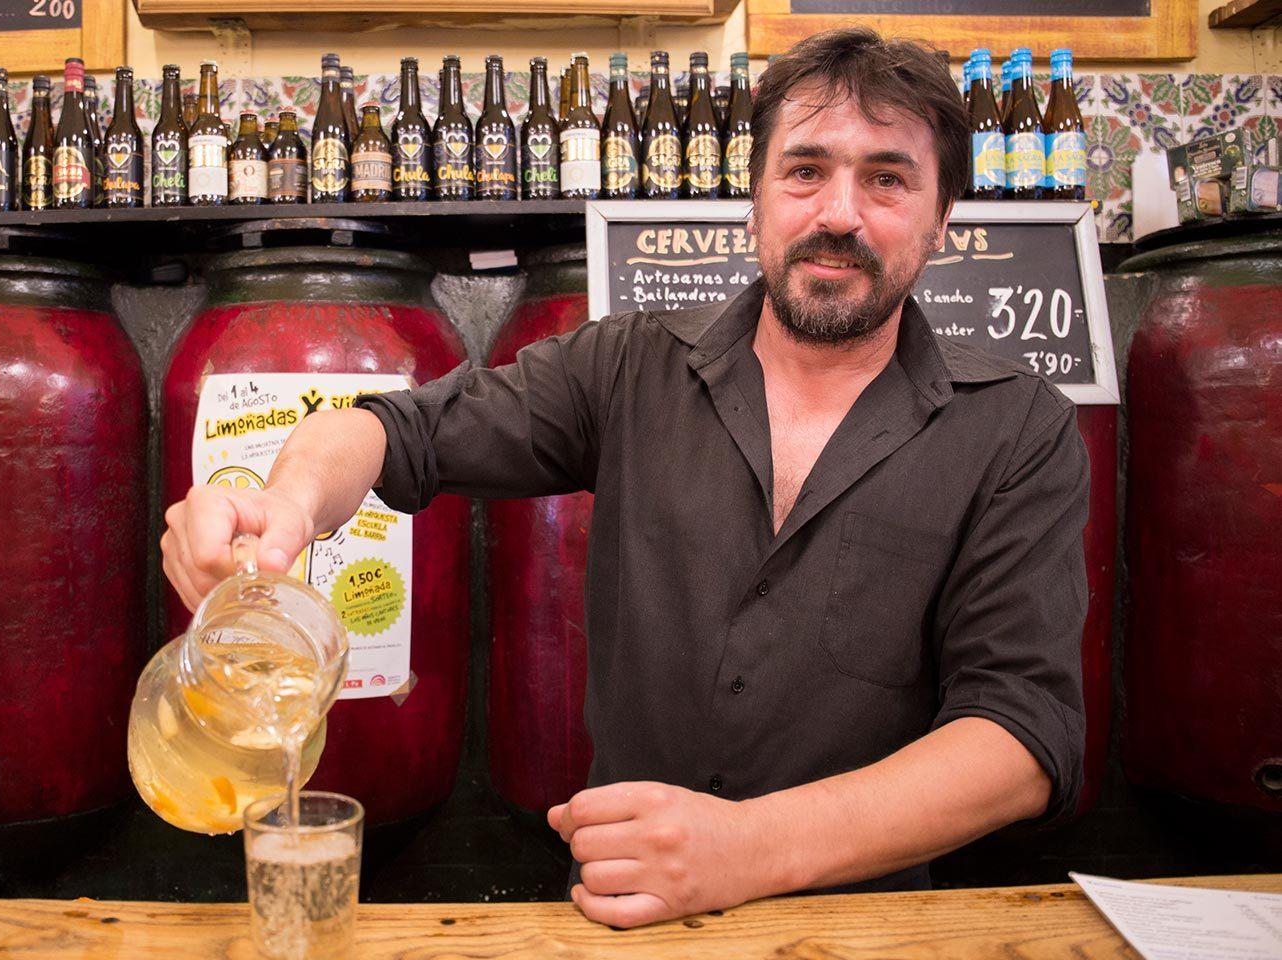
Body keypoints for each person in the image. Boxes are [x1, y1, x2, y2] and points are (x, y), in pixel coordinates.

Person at [161, 27, 1088, 928]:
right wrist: (285, 503)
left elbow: (1020, 738)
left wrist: (747, 846)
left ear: (941, 223)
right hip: (623, 919)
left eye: (888, 178)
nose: (839, 213)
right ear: (755, 200)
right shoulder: (626, 367)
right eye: (804, 170)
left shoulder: (1015, 428)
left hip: (870, 928)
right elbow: (394, 433)